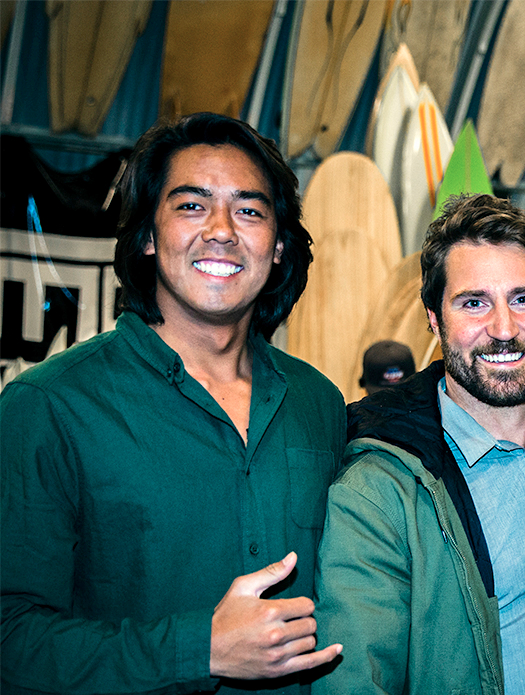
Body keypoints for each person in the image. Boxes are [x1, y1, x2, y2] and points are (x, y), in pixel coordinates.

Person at [0, 113, 346, 694]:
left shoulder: (319, 403)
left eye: (250, 210)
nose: (221, 230)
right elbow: (10, 641)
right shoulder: (49, 407)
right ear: (147, 237)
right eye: (191, 206)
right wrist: (199, 649)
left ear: (280, 246)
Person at [313, 194, 525, 695]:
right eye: (474, 303)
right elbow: (355, 682)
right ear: (433, 317)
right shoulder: (379, 494)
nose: (504, 329)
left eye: (524, 299)